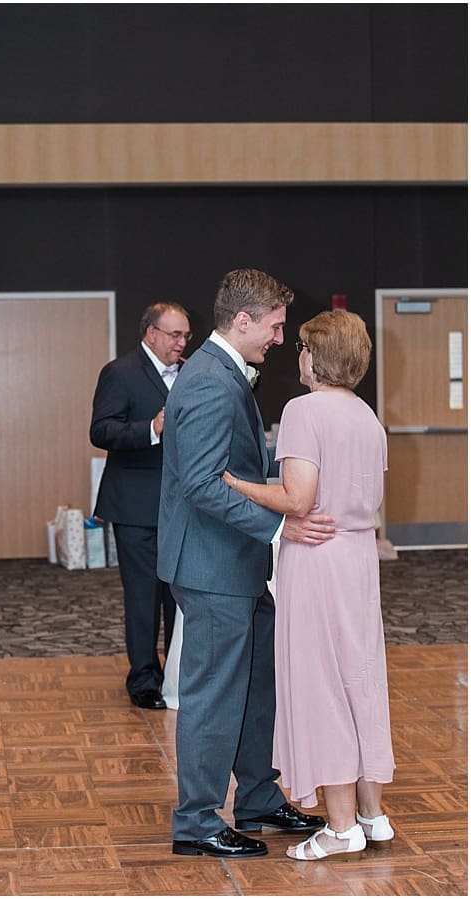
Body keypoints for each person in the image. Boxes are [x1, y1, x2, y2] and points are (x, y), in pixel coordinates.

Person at [157, 268, 337, 859]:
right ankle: (197, 823)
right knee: (213, 694)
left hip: (235, 562)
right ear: (243, 321)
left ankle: (258, 797)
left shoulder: (220, 373)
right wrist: (283, 524)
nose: (280, 339)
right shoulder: (210, 381)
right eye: (276, 326)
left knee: (258, 686)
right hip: (212, 567)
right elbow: (204, 484)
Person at [222, 310, 394, 860]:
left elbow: (298, 499)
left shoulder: (303, 410)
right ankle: (371, 814)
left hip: (317, 558)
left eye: (299, 345)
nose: (293, 353)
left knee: (322, 684)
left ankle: (340, 828)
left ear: (315, 356)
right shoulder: (367, 416)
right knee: (359, 679)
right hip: (358, 558)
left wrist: (234, 482)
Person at [90, 301, 191, 710]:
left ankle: (176, 675)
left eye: (186, 335)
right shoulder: (120, 372)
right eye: (175, 335)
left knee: (177, 595)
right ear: (151, 333)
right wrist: (151, 428)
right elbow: (101, 430)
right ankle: (144, 679)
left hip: (181, 507)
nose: (182, 343)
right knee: (143, 596)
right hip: (134, 507)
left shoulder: (190, 375)